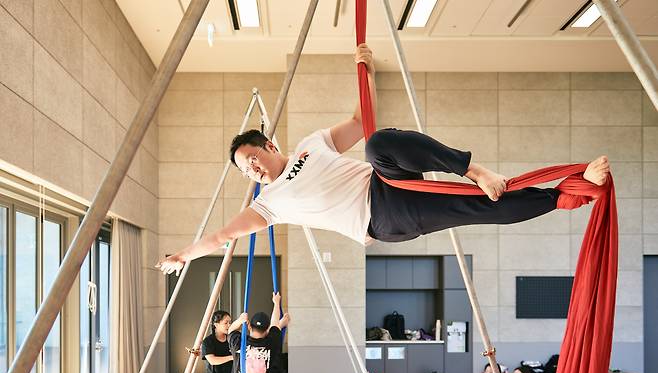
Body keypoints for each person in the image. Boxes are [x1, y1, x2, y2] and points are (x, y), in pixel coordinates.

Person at [156, 44, 610, 276]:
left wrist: (365, 70)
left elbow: (361, 119)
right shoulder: (268, 205)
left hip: (386, 179)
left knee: (378, 143)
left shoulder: (312, 144)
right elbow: (219, 235)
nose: (252, 169)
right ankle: (565, 194)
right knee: (477, 208)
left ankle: (473, 169)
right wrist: (184, 255)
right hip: (386, 216)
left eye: (252, 157)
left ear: (269, 146)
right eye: (244, 169)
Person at [227, 292, 290, 373]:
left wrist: (240, 320)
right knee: (278, 360)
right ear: (267, 330)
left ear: (250, 326)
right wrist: (276, 303)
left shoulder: (239, 342)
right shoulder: (272, 340)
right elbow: (275, 323)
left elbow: (231, 330)